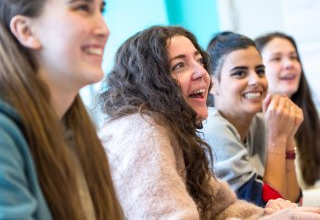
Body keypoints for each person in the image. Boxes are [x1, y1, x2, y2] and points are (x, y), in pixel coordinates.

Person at [99, 25, 320, 219]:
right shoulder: (145, 131)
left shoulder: (177, 131)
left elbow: (222, 208)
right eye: (179, 66)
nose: (201, 73)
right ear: (151, 81)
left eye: (199, 61)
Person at [0, 0, 124, 219]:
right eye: (82, 8)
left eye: (101, 10)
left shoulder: (74, 124)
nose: (104, 29)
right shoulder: (4, 135)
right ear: (26, 31)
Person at [202, 31, 303, 207]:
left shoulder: (261, 122)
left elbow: (293, 203)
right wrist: (277, 137)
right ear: (212, 85)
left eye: (260, 71)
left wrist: (286, 137)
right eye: (240, 73)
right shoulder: (212, 127)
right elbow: (264, 210)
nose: (255, 80)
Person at [255, 32, 320, 190]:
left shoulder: (310, 115)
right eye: (276, 58)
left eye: (293, 57)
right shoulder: (253, 125)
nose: (289, 64)